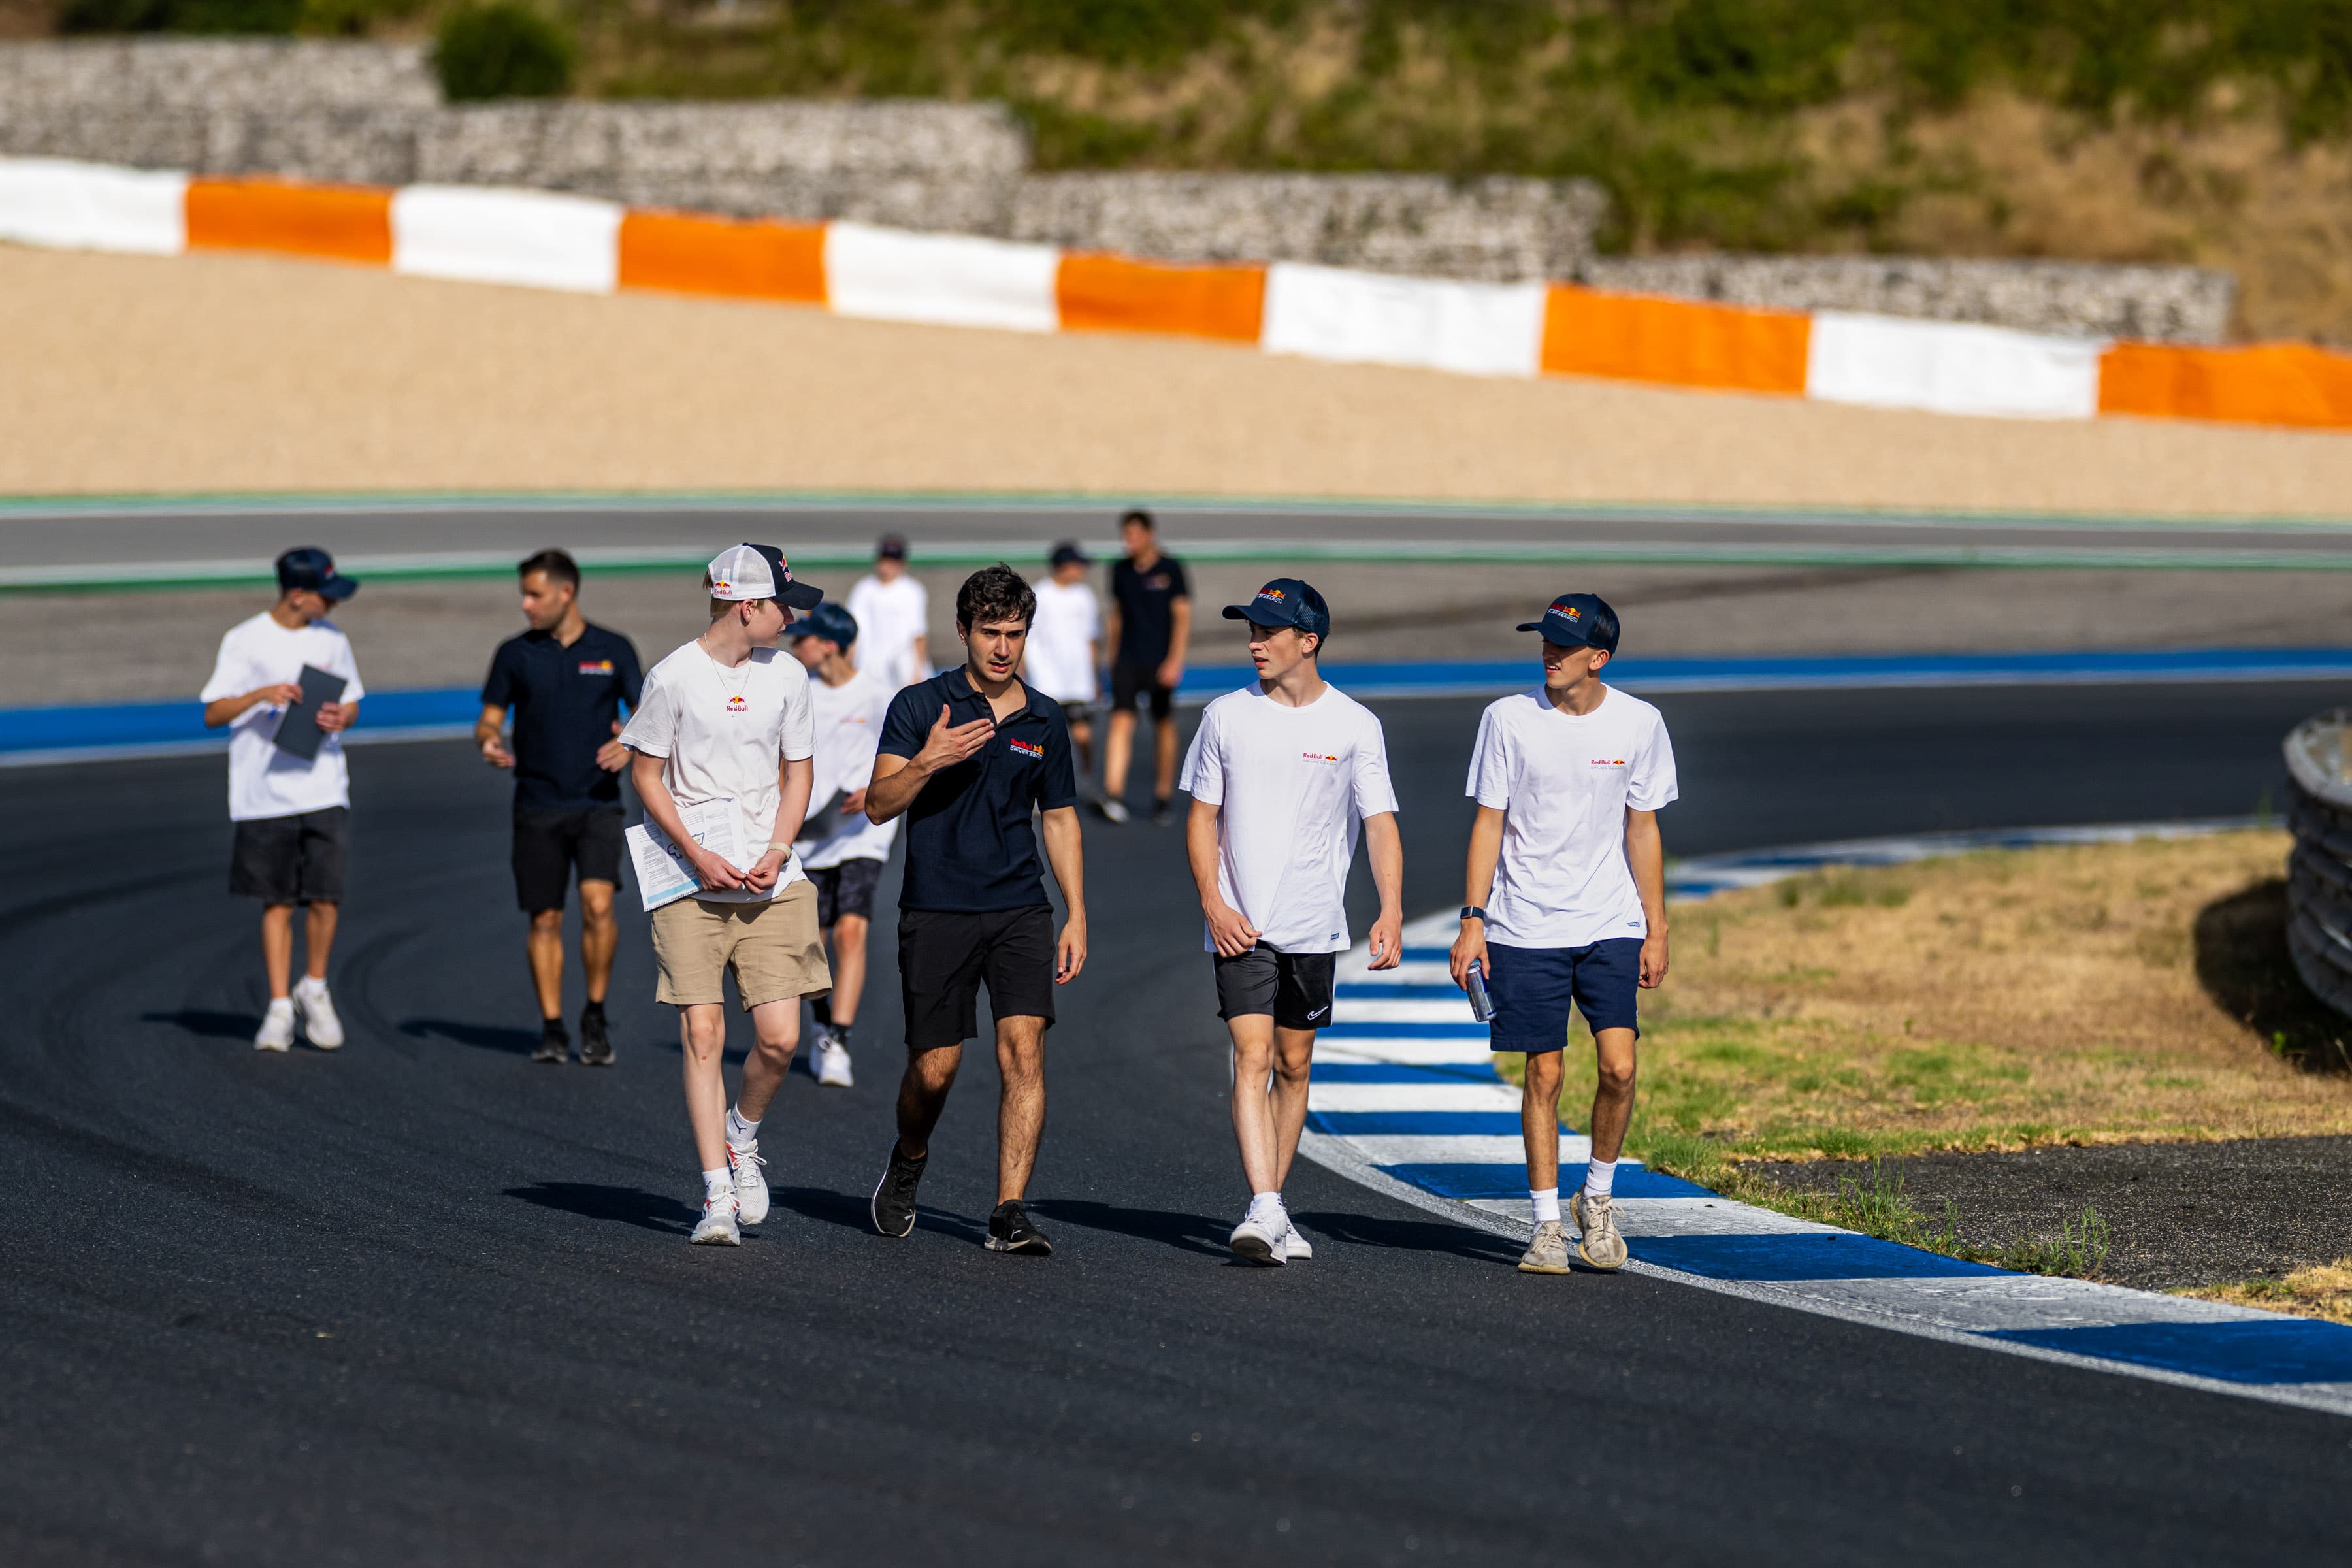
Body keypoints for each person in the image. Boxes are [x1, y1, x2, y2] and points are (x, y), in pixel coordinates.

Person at [1448, 593, 1676, 1276]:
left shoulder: (1641, 723)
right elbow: (1489, 821)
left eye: (1563, 644)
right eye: (1544, 641)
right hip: (1525, 925)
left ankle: (1597, 1199)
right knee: (1544, 1071)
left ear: (1598, 658)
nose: (1548, 652)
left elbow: (1643, 827)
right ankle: (1546, 1224)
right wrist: (1472, 919)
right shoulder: (1508, 719)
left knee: (1620, 1067)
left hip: (1611, 921)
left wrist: (1657, 927)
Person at [864, 564, 1088, 1256]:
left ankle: (1008, 1210)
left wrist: (1076, 911)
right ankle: (909, 1155)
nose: (1002, 648)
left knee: (1024, 1052)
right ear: (962, 631)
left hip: (1021, 906)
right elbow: (877, 804)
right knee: (935, 1068)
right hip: (936, 908)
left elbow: (1059, 819)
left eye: (1014, 634)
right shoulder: (918, 706)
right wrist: (927, 761)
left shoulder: (1045, 718)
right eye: (989, 632)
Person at [1180, 579, 1403, 1266]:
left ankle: (1272, 1206)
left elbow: (1380, 824)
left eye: (1268, 632)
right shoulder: (1224, 716)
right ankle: (1266, 1206)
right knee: (1251, 1058)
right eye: (1251, 630)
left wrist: (1391, 908)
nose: (1255, 642)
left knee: (1293, 1064)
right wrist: (1215, 905)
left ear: (1308, 642)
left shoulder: (1356, 725)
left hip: (1315, 926)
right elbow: (1201, 820)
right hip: (1240, 925)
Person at [620, 544, 831, 1247]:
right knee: (703, 1033)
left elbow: (797, 775)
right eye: (784, 608)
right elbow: (646, 775)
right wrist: (695, 852)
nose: (792, 621)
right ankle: (715, 1195)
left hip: (772, 880)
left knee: (780, 1038)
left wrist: (776, 850)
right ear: (749, 607)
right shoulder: (673, 678)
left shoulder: (789, 677)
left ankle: (742, 1136)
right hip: (691, 881)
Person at [475, 549, 644, 1067]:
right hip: (537, 804)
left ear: (566, 593)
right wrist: (488, 741)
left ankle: (594, 1013)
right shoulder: (514, 654)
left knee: (598, 906)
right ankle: (552, 1026)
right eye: (524, 594)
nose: (526, 604)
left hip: (597, 804)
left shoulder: (614, 649)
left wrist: (631, 744)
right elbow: (488, 719)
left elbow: (647, 716)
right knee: (545, 918)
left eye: (535, 594)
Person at [199, 548, 365, 1053]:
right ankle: (277, 1006)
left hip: (323, 786)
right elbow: (212, 712)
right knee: (276, 901)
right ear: (298, 594)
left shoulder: (332, 639)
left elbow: (353, 699)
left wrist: (344, 717)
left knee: (326, 896)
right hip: (264, 795)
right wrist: (259, 695)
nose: (334, 605)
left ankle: (314, 987)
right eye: (326, 594)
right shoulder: (244, 640)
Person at [787, 601, 900, 1090]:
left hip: (864, 834)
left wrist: (877, 788)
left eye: (804, 638)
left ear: (827, 645)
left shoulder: (878, 695)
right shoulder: (798, 694)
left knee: (851, 932)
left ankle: (839, 1038)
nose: (795, 645)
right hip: (809, 835)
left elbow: (907, 753)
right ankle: (820, 1022)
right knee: (811, 941)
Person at [1100, 508, 1190, 826]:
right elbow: (1117, 615)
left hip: (1159, 661)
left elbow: (1182, 617)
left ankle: (1163, 796)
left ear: (1149, 535)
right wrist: (1110, 657)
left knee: (1163, 724)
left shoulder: (1171, 568)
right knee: (1121, 721)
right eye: (1126, 535)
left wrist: (1175, 660)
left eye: (1135, 535)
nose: (1129, 541)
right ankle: (1114, 795)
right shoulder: (1120, 570)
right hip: (1127, 659)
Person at [1024, 542, 1103, 779]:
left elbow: (1091, 638)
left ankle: (1086, 780)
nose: (1081, 571)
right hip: (1046, 680)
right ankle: (1037, 784)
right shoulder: (1040, 595)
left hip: (1077, 680)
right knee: (1041, 736)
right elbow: (1026, 638)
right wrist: (1023, 673)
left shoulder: (1085, 596)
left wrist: (1094, 676)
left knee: (1082, 733)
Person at [845, 534, 930, 694]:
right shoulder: (864, 589)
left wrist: (918, 670)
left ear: (902, 563)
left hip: (904, 667)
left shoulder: (913, 591)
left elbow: (918, 633)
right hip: (870, 666)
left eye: (893, 560)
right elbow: (854, 631)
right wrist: (849, 663)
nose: (888, 565)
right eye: (885, 559)